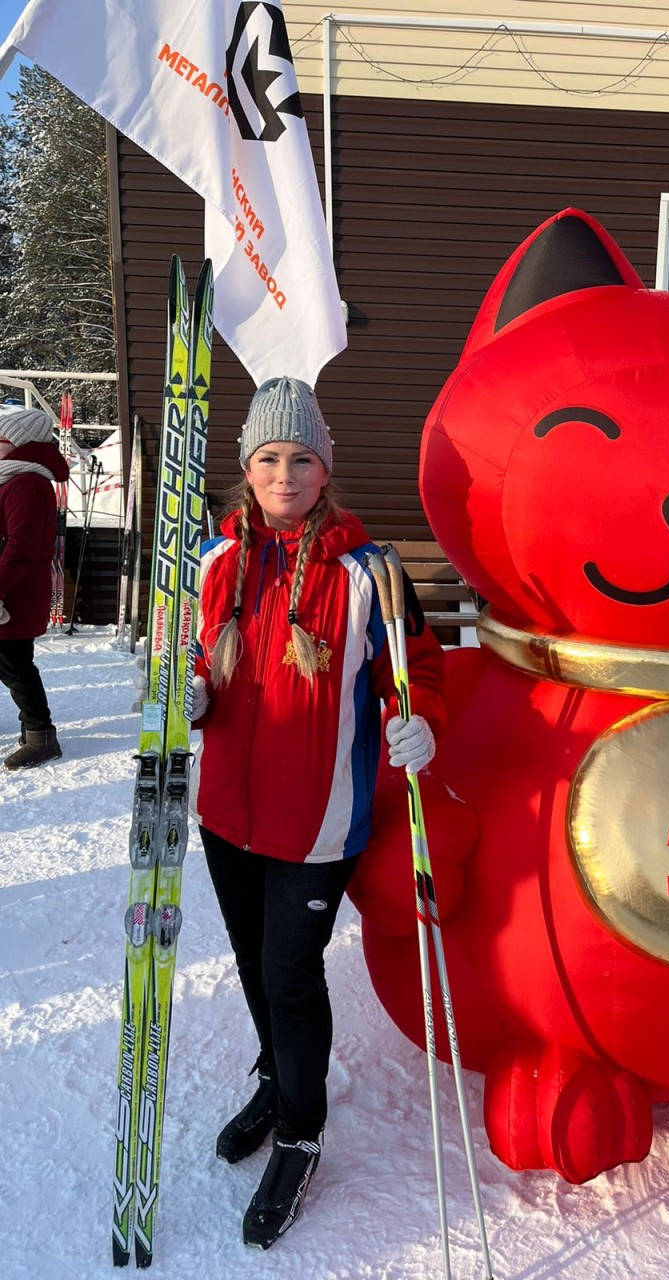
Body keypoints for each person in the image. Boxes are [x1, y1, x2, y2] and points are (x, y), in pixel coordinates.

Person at [190, 375, 445, 1250]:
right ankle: (275, 1075)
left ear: (324, 467)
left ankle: (301, 1129)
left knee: (293, 972)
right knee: (254, 961)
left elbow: (422, 676)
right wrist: (187, 690)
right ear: (247, 469)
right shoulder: (217, 562)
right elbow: (196, 657)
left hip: (317, 822)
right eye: (269, 458)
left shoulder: (368, 571)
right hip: (225, 810)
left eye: (302, 458)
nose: (286, 474)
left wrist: (422, 727)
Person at [0, 405, 69, 769]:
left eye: (0, 439)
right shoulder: (15, 479)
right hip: (13, 588)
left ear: (19, 444)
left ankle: (41, 736)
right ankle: (34, 729)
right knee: (11, 664)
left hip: (15, 593)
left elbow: (21, 546)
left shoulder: (25, 483)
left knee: (15, 665)